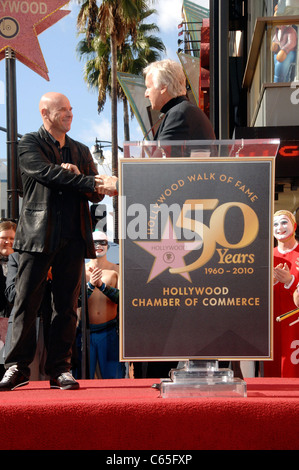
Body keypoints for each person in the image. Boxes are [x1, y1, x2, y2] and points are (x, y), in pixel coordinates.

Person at [0, 92, 105, 391]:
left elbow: (96, 193)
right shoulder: (29, 143)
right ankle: (17, 367)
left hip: (73, 236)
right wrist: (78, 176)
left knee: (66, 307)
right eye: (62, 110)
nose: (69, 114)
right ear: (45, 113)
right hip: (36, 235)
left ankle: (60, 369)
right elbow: (45, 174)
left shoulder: (81, 150)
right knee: (25, 303)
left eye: (71, 110)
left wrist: (82, 174)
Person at [77, 230, 125, 379]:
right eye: (94, 243)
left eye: (102, 243)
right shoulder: (80, 270)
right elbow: (75, 301)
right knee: (82, 378)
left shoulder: (117, 269)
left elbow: (123, 300)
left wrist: (103, 286)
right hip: (84, 331)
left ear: (108, 246)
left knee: (114, 378)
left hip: (109, 331)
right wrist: (91, 286)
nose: (98, 246)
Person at [264, 210, 299, 377]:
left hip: (294, 326)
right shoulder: (266, 256)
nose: (280, 227)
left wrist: (290, 281)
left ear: (294, 225)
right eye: (275, 224)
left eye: (284, 222)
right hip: (271, 326)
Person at [0, 220, 17, 379]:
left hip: (16, 322)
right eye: (4, 238)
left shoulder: (22, 264)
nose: (8, 242)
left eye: (12, 238)